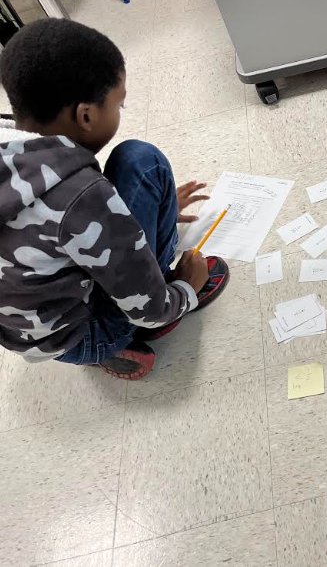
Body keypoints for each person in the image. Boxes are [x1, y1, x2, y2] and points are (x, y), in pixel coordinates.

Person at [0, 19, 230, 380]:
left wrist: (155, 210)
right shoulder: (81, 195)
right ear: (86, 116)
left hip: (26, 331)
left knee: (135, 173)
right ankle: (113, 343)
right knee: (143, 160)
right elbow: (150, 310)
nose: (120, 111)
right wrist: (188, 287)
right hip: (85, 334)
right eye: (119, 105)